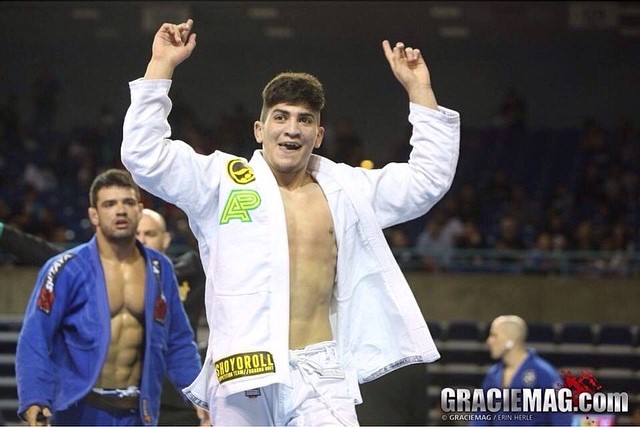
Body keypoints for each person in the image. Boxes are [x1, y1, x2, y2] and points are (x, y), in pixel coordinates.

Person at [121, 18, 460, 426]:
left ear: (318, 135)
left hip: (321, 369)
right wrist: (161, 65)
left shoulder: (347, 190)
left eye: (304, 120)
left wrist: (419, 90)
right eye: (281, 117)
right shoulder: (219, 181)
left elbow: (426, 181)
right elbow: (144, 155)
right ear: (260, 129)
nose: (292, 129)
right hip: (243, 366)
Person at [15, 169, 207, 426]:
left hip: (137, 410)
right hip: (78, 409)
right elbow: (35, 338)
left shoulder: (159, 268)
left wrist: (197, 394)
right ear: (94, 214)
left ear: (139, 210)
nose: (120, 210)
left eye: (128, 202)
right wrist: (34, 397)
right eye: (109, 204)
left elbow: (178, 341)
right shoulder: (65, 268)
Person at [471, 315, 572, 426]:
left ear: (510, 339)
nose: (489, 341)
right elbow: (480, 416)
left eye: (494, 335)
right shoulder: (492, 375)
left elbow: (561, 418)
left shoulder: (545, 374)